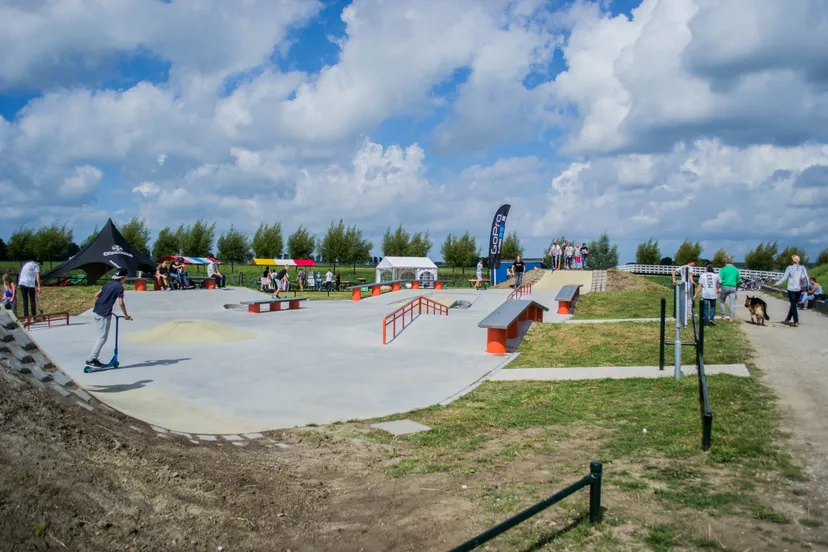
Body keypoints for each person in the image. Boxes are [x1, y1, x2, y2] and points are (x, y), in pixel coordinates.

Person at [86, 268, 132, 368]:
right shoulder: (119, 287)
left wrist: (103, 303)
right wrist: (126, 315)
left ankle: (94, 359)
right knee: (102, 338)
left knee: (100, 336)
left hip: (97, 311)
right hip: (104, 314)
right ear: (123, 277)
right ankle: (91, 359)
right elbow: (121, 303)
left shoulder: (108, 284)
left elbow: (97, 295)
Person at [774, 255, 808, 327]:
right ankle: (788, 318)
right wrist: (806, 287)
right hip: (799, 289)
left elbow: (784, 278)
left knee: (793, 305)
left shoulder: (789, 268)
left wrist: (776, 284)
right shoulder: (802, 268)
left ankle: (796, 321)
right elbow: (806, 277)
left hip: (791, 289)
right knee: (793, 304)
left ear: (793, 261)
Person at [718, 257, 741, 323]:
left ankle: (723, 316)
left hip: (725, 286)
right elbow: (738, 281)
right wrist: (736, 288)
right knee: (732, 303)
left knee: (722, 301)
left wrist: (718, 288)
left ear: (725, 262)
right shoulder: (736, 270)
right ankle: (731, 318)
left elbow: (720, 280)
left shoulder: (723, 269)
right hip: (733, 287)